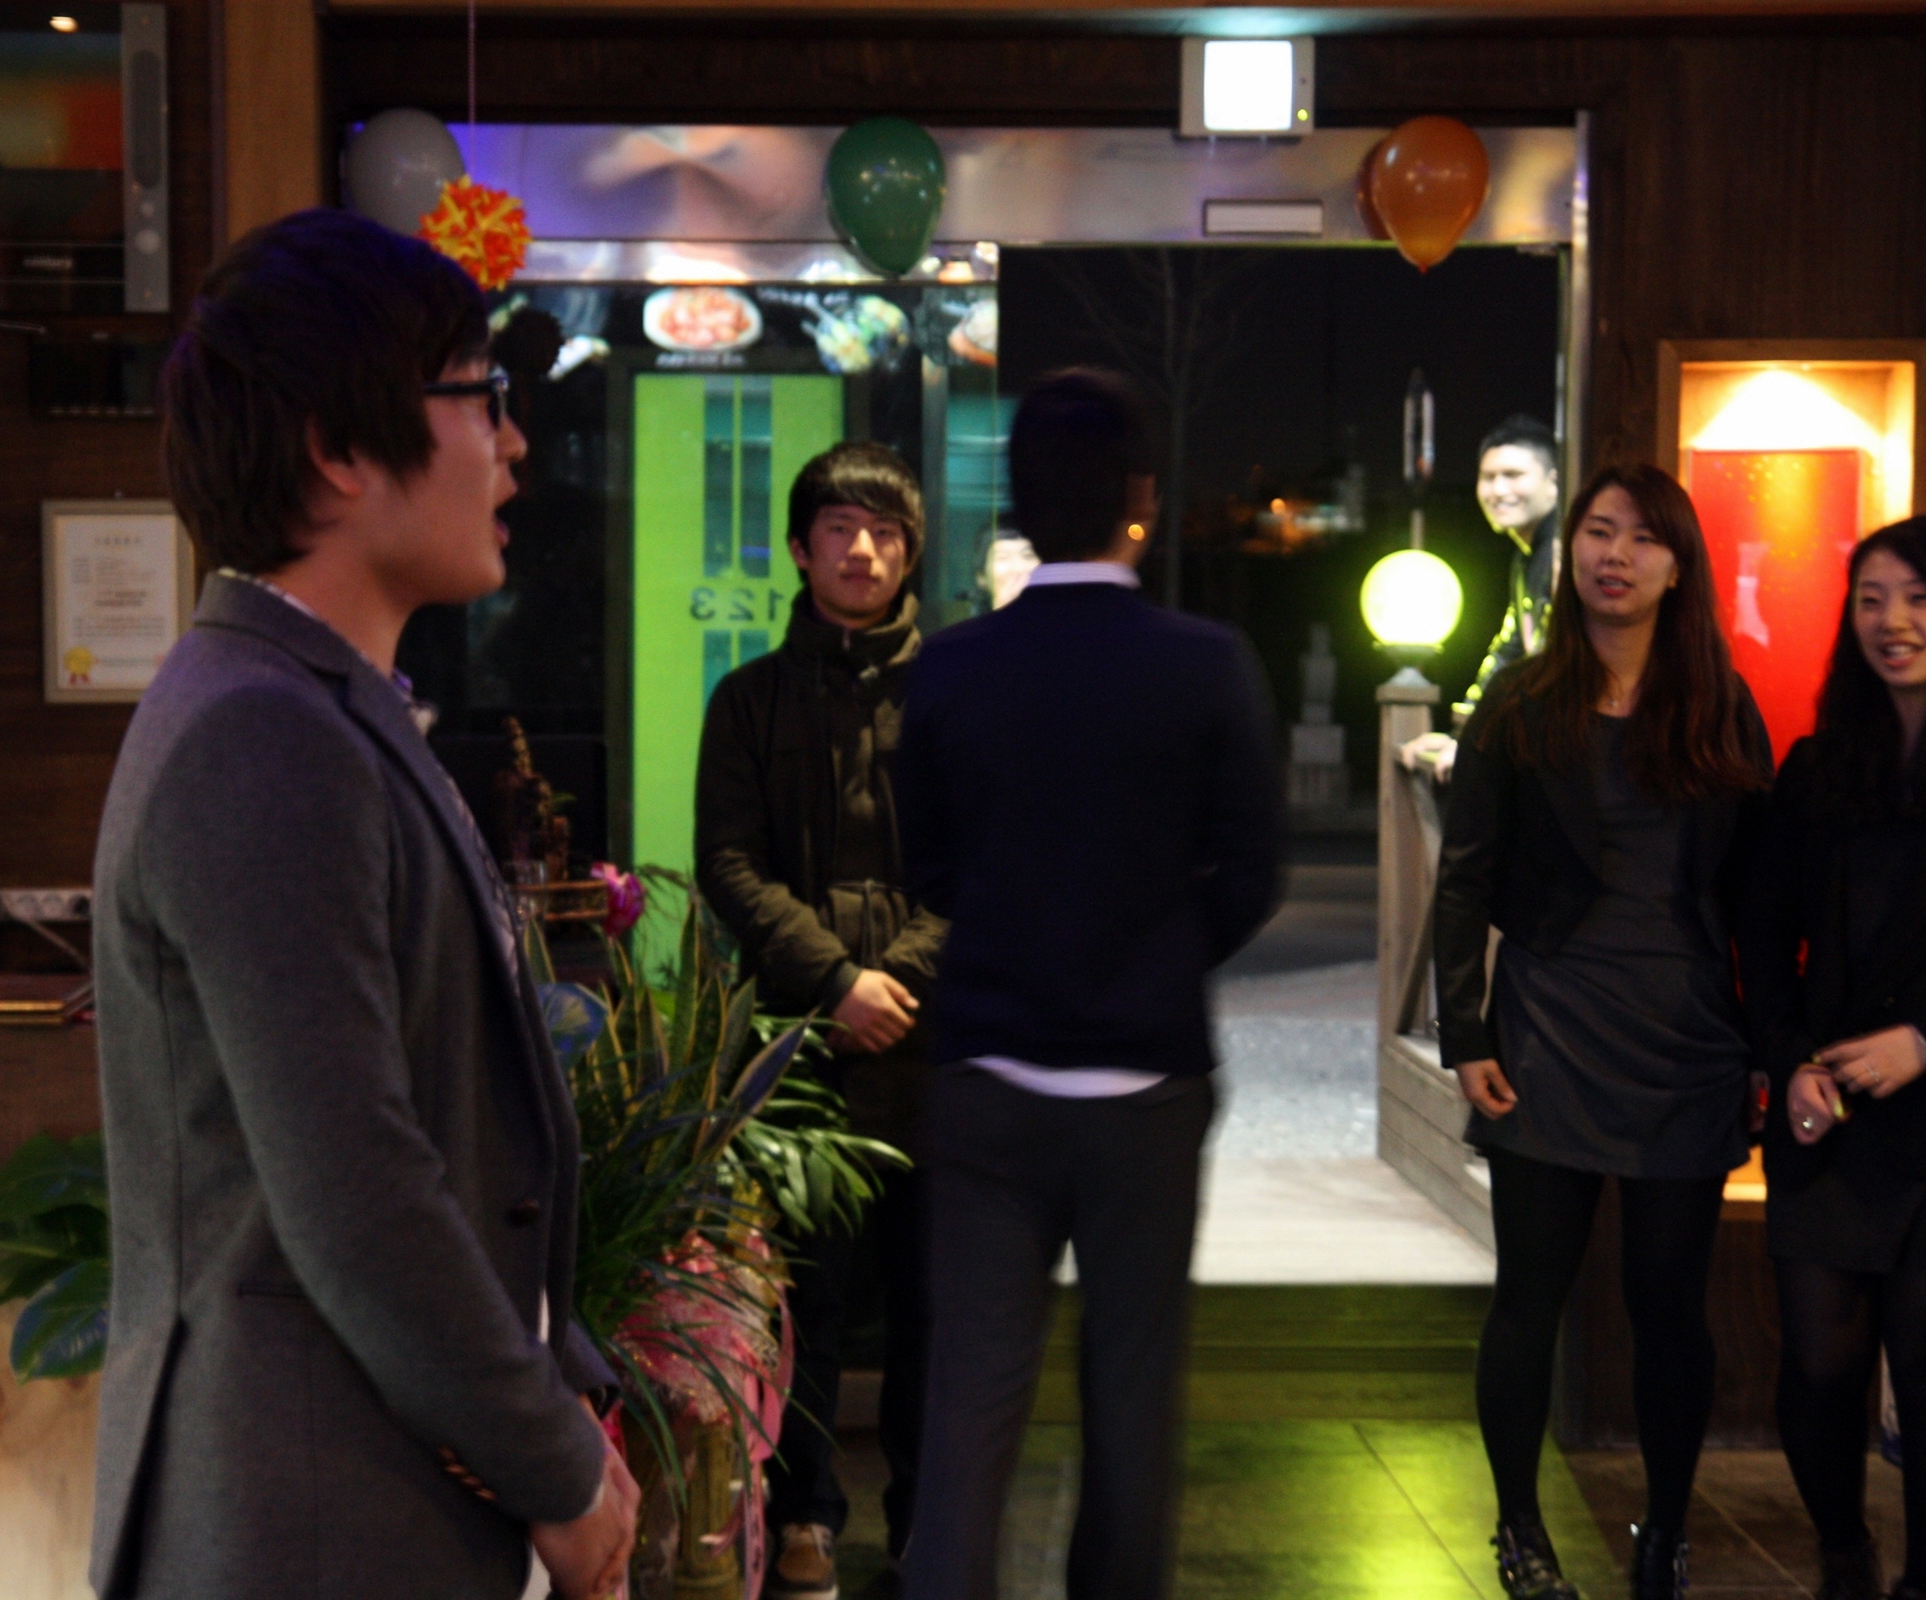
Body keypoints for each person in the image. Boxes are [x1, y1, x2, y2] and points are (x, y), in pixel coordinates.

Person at [87, 209, 637, 1599]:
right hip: (310, 1521)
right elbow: (358, 1193)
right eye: (480, 397)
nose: (514, 444)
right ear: (338, 449)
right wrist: (558, 1469)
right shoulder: (260, 734)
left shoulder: (304, 705)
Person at [895, 368, 1285, 1600]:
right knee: (1132, 1392)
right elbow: (1255, 870)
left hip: (987, 1075)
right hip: (1145, 1085)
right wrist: (1155, 952)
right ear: (1142, 497)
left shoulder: (951, 668)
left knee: (970, 1396)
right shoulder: (1209, 663)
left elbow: (928, 864)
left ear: (1017, 503)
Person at [1436, 463, 1773, 1600]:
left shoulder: (1720, 706)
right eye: (1596, 531)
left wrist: (1766, 1047)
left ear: (1679, 567)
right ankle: (1520, 1532)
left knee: (1669, 1307)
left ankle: (1665, 1533)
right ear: (1571, 550)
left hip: (1686, 1041)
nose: (1613, 554)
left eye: (1639, 537)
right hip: (1548, 1032)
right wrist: (1466, 1032)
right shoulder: (1522, 702)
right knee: (1530, 1296)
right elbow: (1464, 877)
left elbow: (1759, 898)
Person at [695, 439, 946, 1600]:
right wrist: (837, 981)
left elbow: (985, 866)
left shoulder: (956, 699)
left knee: (935, 1302)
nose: (863, 550)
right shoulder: (747, 700)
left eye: (885, 532)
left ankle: (928, 1516)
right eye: (840, 529)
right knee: (807, 1299)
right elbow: (728, 865)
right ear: (798, 549)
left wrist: (898, 979)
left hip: (933, 1044)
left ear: (911, 551)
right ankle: (803, 1512)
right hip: (801, 1045)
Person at [1741, 517, 1926, 1600]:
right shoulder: (1818, 767)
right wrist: (1789, 1058)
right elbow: (1763, 934)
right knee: (1818, 1367)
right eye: (1872, 599)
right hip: (1832, 1113)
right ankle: (1843, 1552)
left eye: (1917, 598)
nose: (1893, 621)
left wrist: (1924, 1041)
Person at [1458, 415, 1567, 723]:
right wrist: (1467, 726)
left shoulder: (1564, 548)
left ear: (1553, 482)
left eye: (1513, 475)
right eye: (1488, 477)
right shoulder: (1525, 558)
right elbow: (1511, 650)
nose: (1498, 490)